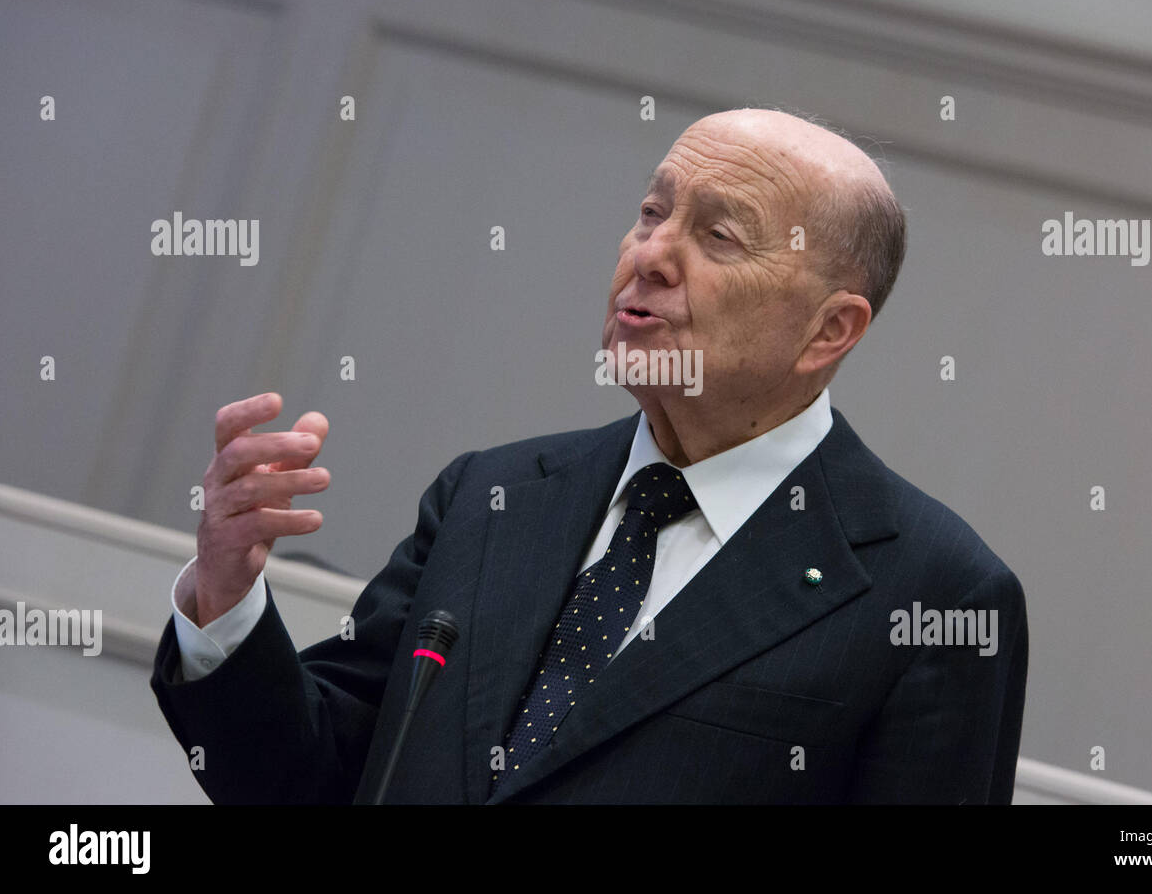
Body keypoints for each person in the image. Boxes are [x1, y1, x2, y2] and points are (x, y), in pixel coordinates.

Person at [151, 108, 1028, 803]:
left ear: (829, 330)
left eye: (719, 236)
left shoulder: (934, 595)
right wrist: (226, 599)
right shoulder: (491, 497)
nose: (651, 253)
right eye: (652, 212)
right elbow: (309, 781)